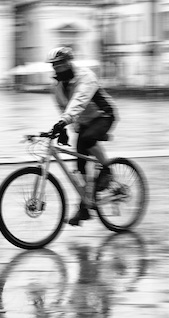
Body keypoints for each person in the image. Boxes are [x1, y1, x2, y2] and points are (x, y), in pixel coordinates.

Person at [46, 46, 118, 226]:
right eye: (54, 65)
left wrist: (64, 121)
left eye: (61, 64)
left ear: (69, 62)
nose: (57, 68)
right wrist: (64, 128)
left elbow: (79, 101)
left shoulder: (85, 77)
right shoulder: (57, 87)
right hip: (84, 122)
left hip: (104, 115)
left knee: (87, 139)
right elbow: (64, 108)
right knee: (79, 166)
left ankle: (107, 171)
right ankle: (85, 207)